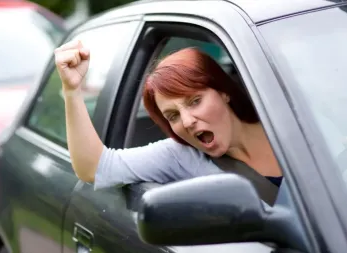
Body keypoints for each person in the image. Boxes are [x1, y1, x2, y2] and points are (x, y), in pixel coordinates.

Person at [54, 40, 283, 191]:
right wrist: (72, 90)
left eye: (195, 101)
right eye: (172, 116)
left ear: (223, 92)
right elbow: (94, 167)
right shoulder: (181, 156)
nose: (187, 121)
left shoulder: (292, 127)